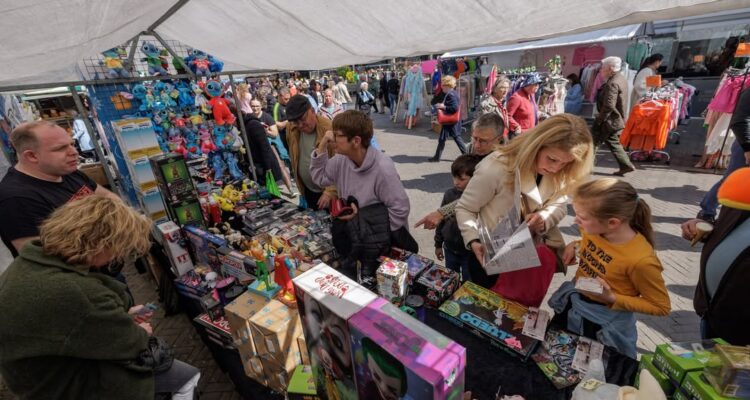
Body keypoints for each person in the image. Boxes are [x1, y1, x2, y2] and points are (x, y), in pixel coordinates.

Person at [0, 195, 201, 399]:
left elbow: (70, 321)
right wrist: (140, 331)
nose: (116, 257)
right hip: (65, 385)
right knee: (187, 377)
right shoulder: (79, 293)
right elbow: (132, 344)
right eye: (118, 248)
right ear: (100, 244)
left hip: (38, 373)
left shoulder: (32, 259)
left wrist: (115, 316)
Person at [455, 114, 595, 289]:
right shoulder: (496, 166)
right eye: (552, 159)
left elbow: (559, 205)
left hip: (528, 257)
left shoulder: (563, 171)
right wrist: (473, 240)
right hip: (489, 256)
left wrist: (543, 218)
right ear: (536, 145)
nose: (555, 168)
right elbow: (465, 208)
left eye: (565, 163)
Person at [549, 178, 670, 358]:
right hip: (574, 307)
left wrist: (611, 297)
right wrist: (575, 246)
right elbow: (595, 245)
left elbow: (661, 306)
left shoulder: (641, 261)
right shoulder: (594, 229)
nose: (575, 220)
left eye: (582, 217)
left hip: (603, 326)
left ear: (612, 223)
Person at [310, 110, 416, 283]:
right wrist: (322, 146)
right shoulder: (342, 159)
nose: (332, 138)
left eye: (337, 135)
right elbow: (320, 178)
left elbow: (400, 209)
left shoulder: (382, 168)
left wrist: (363, 222)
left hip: (381, 244)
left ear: (356, 141)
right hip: (356, 238)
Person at [0, 121, 118, 258]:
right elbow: (43, 259)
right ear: (32, 156)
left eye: (72, 144)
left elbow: (107, 196)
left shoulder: (65, 170)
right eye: (60, 148)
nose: (74, 152)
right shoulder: (16, 200)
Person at [682, 167, 750, 345]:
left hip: (742, 327)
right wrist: (704, 227)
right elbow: (731, 229)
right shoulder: (744, 186)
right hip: (712, 311)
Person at [413, 113, 505, 230]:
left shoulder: (503, 163)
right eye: (475, 138)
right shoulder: (472, 148)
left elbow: (476, 195)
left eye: (483, 141)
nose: (476, 145)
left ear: (499, 139)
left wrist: (442, 213)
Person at [696, 86, 750, 223]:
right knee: (730, 179)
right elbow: (740, 121)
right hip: (746, 145)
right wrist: (747, 148)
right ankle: (707, 211)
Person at [435, 154, 483, 281]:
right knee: (450, 281)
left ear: (474, 178)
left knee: (468, 284)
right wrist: (438, 244)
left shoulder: (480, 199)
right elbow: (441, 221)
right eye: (454, 177)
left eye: (461, 179)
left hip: (469, 253)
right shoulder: (449, 194)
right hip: (449, 249)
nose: (456, 182)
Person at [285, 94, 337, 210]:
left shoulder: (329, 129)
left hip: (327, 194)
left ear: (312, 111)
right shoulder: (291, 127)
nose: (300, 125)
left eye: (303, 120)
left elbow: (342, 165)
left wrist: (331, 191)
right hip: (307, 190)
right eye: (296, 122)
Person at [592, 56, 636, 176]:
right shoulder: (620, 78)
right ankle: (626, 165)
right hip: (614, 119)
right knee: (612, 142)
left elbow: (609, 106)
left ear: (610, 68)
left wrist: (600, 119)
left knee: (592, 142)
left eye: (603, 68)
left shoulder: (612, 83)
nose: (601, 70)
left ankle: (584, 167)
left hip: (609, 120)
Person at [246, 98, 295, 195]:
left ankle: (290, 189)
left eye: (257, 106)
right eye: (253, 106)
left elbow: (275, 134)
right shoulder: (249, 118)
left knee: (280, 165)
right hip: (257, 147)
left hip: (270, 144)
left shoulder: (267, 117)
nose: (255, 108)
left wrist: (265, 131)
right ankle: (269, 190)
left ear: (261, 106)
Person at [428, 75, 466, 162]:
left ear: (447, 85)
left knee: (456, 138)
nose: (441, 86)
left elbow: (454, 108)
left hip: (451, 121)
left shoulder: (451, 94)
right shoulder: (452, 93)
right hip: (450, 121)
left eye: (443, 84)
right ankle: (437, 157)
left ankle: (468, 156)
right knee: (443, 139)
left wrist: (443, 107)